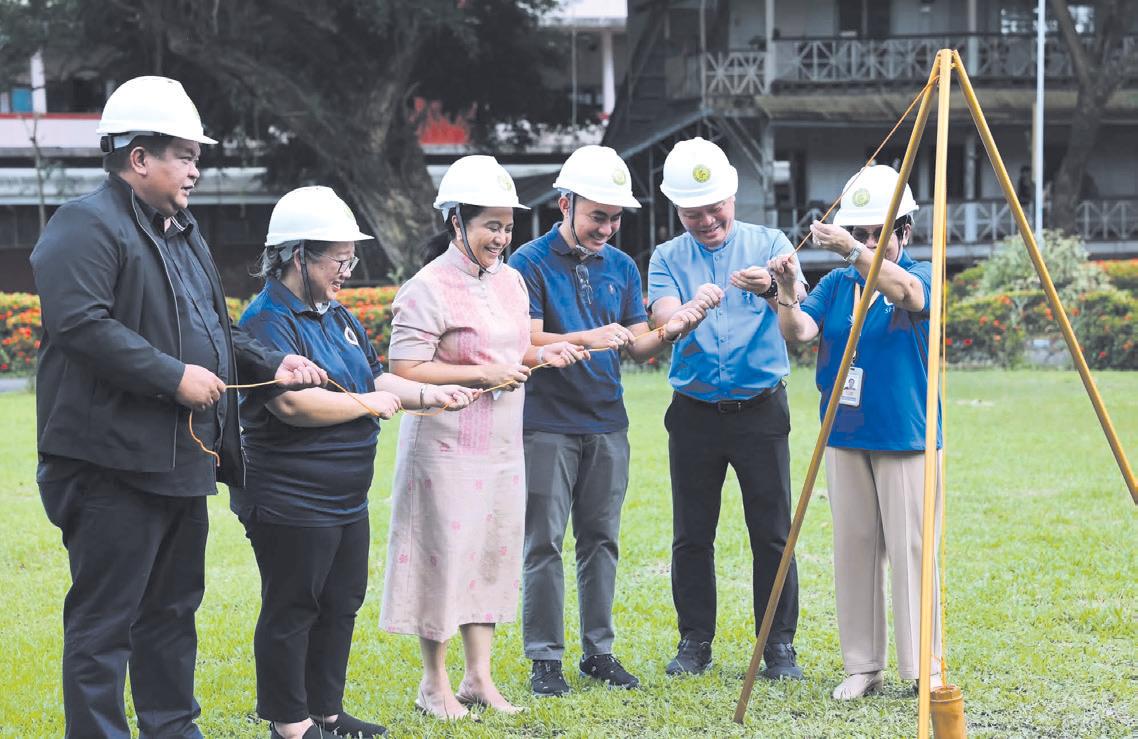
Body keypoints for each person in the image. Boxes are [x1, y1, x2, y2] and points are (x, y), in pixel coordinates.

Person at [29, 76, 326, 738]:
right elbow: (81, 326)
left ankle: (171, 728)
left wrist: (270, 362)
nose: (196, 168)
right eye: (184, 155)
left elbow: (212, 327)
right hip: (108, 464)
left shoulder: (183, 231)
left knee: (172, 609)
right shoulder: (84, 224)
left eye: (196, 155)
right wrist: (172, 377)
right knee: (105, 621)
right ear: (139, 158)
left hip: (181, 459)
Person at [231, 186, 476, 739]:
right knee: (294, 605)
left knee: (341, 601)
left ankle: (326, 711)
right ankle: (289, 724)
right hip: (290, 495)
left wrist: (431, 395)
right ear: (299, 256)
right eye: (338, 259)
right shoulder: (268, 319)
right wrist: (365, 405)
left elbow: (374, 377)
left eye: (350, 258)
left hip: (345, 495)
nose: (348, 269)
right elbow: (290, 405)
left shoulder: (335, 312)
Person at [379, 155, 586, 720]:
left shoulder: (513, 281)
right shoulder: (427, 287)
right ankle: (434, 683)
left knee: (491, 555)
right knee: (443, 558)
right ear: (456, 222)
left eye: (507, 226)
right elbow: (404, 368)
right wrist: (479, 375)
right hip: (444, 448)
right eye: (489, 225)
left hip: (500, 447)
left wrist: (545, 353)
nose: (501, 237)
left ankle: (479, 678)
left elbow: (512, 350)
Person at [509, 146, 711, 697]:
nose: (608, 227)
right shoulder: (527, 262)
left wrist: (675, 327)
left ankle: (599, 651)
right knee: (544, 542)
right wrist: (585, 337)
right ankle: (545, 659)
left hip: (606, 421)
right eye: (598, 215)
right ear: (565, 203)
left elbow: (636, 345)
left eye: (616, 217)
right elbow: (524, 339)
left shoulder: (622, 266)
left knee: (601, 539)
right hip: (545, 423)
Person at [768, 164, 944, 700]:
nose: (870, 240)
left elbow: (909, 292)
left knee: (913, 549)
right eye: (861, 232)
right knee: (855, 547)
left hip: (906, 437)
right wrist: (784, 293)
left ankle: (923, 667)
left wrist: (850, 249)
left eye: (879, 232)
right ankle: (863, 665)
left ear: (904, 232)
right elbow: (800, 331)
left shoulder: (917, 273)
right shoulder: (838, 283)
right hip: (844, 433)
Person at [647, 137, 808, 680]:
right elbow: (663, 318)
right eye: (694, 212)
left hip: (762, 409)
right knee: (693, 533)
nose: (707, 219)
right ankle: (694, 641)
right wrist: (689, 311)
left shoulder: (771, 244)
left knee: (772, 533)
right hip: (693, 412)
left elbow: (798, 311)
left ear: (733, 196)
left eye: (715, 206)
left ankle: (778, 645)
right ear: (678, 210)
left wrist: (776, 286)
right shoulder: (668, 257)